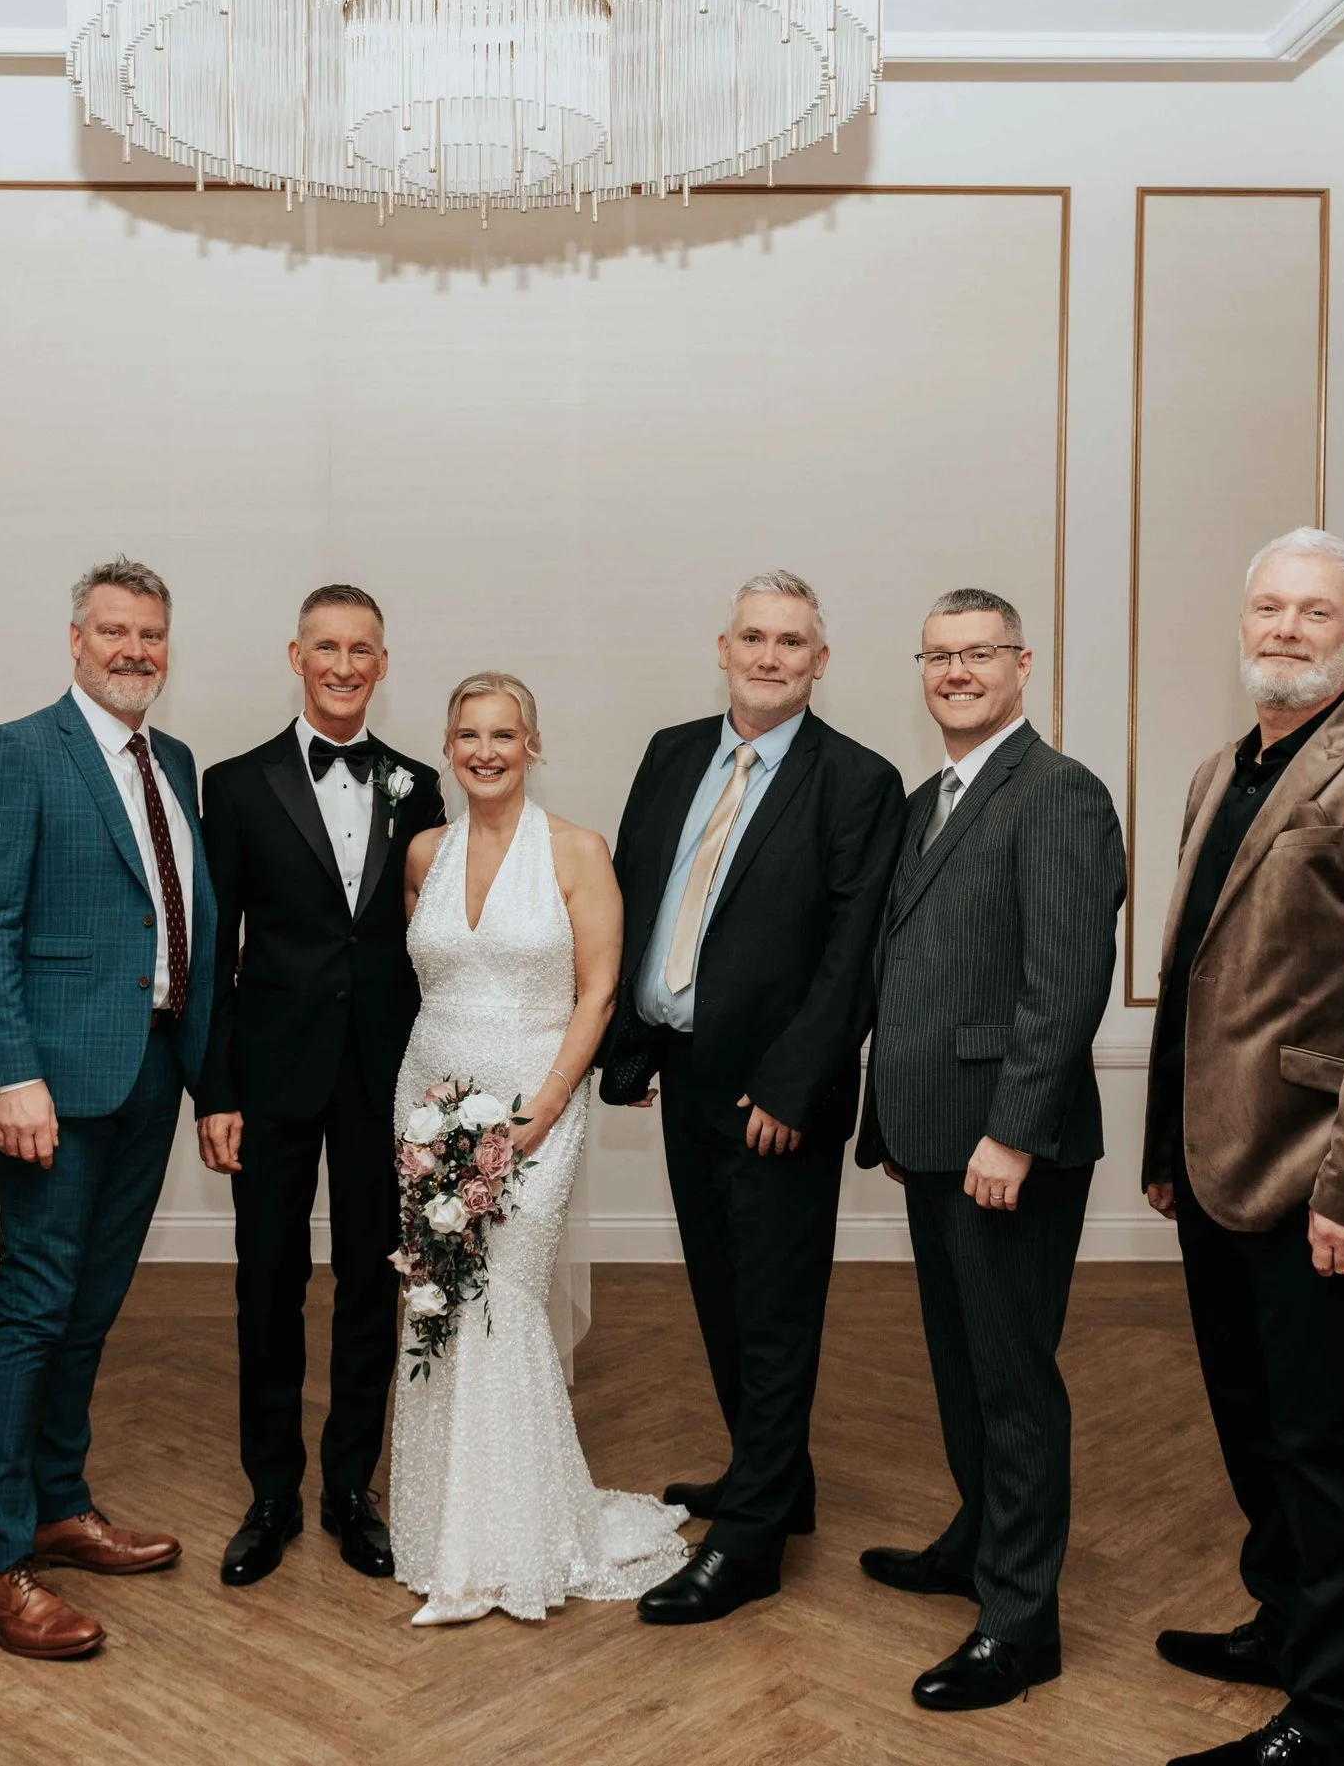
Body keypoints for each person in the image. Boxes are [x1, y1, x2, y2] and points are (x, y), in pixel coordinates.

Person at [1143, 528, 1344, 1766]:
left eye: (1314, 612)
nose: (1286, 628)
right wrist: (1165, 1145)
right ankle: (1284, 1623)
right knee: (1250, 1423)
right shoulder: (1215, 772)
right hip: (1214, 1164)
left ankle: (1336, 1721)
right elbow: (1196, 978)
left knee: (1327, 1450)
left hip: (1315, 1178)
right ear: (1244, 622)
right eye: (1270, 607)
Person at [601, 570, 908, 1625]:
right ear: (723, 647)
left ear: (820, 661)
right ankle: (772, 1476)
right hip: (684, 1074)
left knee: (775, 1313)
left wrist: (791, 1084)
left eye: (791, 642)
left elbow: (852, 955)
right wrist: (632, 1045)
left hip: (776, 1094)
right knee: (721, 1294)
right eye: (754, 637)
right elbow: (640, 891)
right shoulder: (670, 752)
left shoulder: (857, 780)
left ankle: (750, 1545)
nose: (770, 656)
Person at [856, 588, 1125, 1714]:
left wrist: (1011, 1132)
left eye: (979, 653)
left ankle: (1020, 1625)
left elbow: (1065, 983)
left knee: (1013, 1382)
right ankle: (977, 1540)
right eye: (939, 656)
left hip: (1005, 1143)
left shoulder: (1059, 793)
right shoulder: (930, 799)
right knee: (962, 1365)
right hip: (932, 1136)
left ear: (1022, 665)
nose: (957, 672)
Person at [387, 673, 692, 1626]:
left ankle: (511, 1546)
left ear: (532, 744)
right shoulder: (423, 852)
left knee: (503, 1299)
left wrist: (550, 1104)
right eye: (469, 734)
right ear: (448, 745)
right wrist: (431, 1110)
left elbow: (598, 991)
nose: (485, 751)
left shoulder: (576, 850)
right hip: (428, 1102)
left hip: (535, 1107)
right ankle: (448, 1531)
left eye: (504, 734)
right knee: (437, 1296)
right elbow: (428, 978)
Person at [0, 556, 216, 1660]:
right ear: (75, 639)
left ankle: (59, 1503)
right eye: (114, 631)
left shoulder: (174, 762)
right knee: (33, 1305)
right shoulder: (20, 751)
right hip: (52, 1086)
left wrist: (206, 1075)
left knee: (92, 1302)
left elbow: (180, 916)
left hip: (149, 1070)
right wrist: (10, 1070)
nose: (134, 650)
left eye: (150, 634)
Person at [194, 586, 447, 1587]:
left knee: (370, 1283)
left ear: (383, 662)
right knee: (267, 1281)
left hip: (383, 1074)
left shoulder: (420, 786)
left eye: (361, 649)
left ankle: (351, 1487)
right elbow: (214, 951)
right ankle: (271, 1491)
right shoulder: (235, 783)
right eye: (326, 647)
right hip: (269, 1075)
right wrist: (215, 1091)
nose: (344, 665)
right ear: (295, 655)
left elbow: (434, 938)